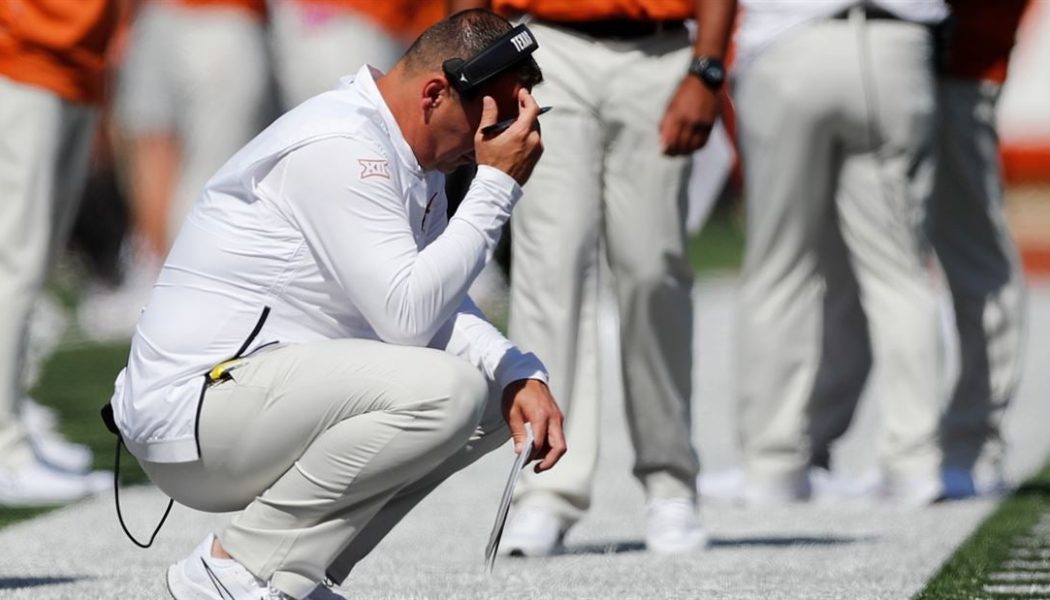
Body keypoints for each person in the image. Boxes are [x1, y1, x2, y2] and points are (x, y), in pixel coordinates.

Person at [106, 10, 565, 599]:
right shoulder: (345, 145)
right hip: (193, 413)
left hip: (241, 400)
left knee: (491, 397)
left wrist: (513, 367)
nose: (489, 147)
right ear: (433, 95)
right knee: (447, 393)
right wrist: (497, 188)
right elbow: (408, 319)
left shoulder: (401, 149)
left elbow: (434, 302)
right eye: (492, 124)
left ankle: (290, 579)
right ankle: (232, 567)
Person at [453, 0, 737, 555]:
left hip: (659, 49)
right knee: (548, 267)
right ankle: (545, 492)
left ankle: (670, 480)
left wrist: (708, 67)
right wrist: (474, 64)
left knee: (655, 269)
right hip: (544, 45)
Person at [732, 0, 950, 506]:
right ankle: (915, 462)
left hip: (787, 40)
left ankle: (773, 467)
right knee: (900, 273)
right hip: (896, 41)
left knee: (778, 269)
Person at [77, 0, 272, 342]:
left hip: (221, 17)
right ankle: (156, 279)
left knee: (210, 172)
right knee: (150, 142)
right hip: (156, 14)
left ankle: (192, 291)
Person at [0, 0, 118, 506]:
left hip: (76, 58)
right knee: (14, 265)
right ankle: (5, 447)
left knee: (36, 262)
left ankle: (16, 419)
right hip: (22, 52)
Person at [930, 0, 1030, 499]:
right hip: (867, 57)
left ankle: (975, 443)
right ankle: (808, 451)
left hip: (959, 66)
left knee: (975, 255)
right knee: (838, 261)